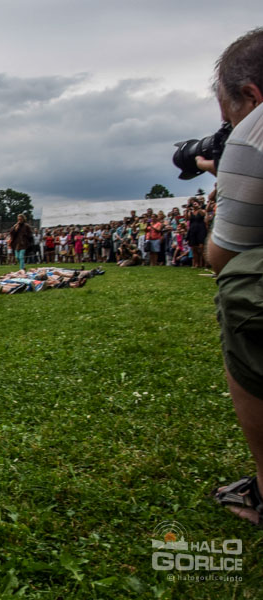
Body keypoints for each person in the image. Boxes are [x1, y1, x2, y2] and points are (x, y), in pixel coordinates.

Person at [193, 28, 263, 527]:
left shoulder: (254, 130)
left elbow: (222, 256)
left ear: (252, 96)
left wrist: (230, 174)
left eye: (228, 115)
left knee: (243, 285)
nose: (229, 127)